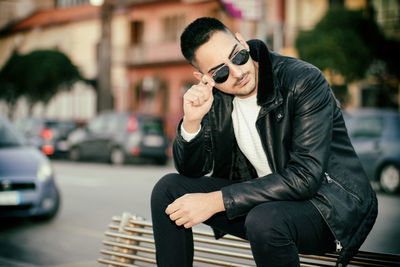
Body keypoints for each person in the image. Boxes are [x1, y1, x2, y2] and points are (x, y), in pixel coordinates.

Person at [151, 17, 377, 267]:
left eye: (237, 57)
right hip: (265, 203)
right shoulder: (215, 97)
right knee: (167, 190)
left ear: (241, 41)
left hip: (327, 208)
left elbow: (305, 177)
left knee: (264, 219)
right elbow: (191, 170)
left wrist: (216, 201)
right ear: (205, 77)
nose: (237, 73)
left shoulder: (303, 81)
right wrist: (191, 122)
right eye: (221, 72)